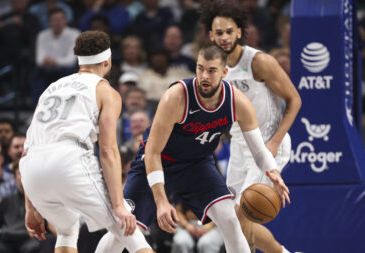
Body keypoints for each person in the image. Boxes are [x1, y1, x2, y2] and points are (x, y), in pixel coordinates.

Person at [103, 44, 290, 253]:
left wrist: (273, 172)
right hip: (158, 163)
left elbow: (258, 151)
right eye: (200, 69)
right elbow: (153, 152)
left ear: (224, 73)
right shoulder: (176, 97)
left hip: (197, 165)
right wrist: (162, 201)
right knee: (124, 230)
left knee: (230, 220)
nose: (204, 76)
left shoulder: (238, 102)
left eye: (211, 70)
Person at [19, 30, 152, 253]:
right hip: (68, 159)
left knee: (67, 229)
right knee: (126, 226)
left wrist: (30, 207)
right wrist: (118, 206)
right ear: (107, 61)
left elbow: (27, 148)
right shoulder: (106, 91)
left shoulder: (50, 89)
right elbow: (108, 150)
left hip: (31, 169)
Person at [199, 1, 302, 252]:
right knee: (232, 219)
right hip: (238, 143)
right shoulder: (214, 67)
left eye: (229, 31)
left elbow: (295, 100)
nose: (224, 37)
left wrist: (275, 143)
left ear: (239, 32)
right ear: (210, 35)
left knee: (244, 210)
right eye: (219, 32)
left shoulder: (259, 61)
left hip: (267, 142)